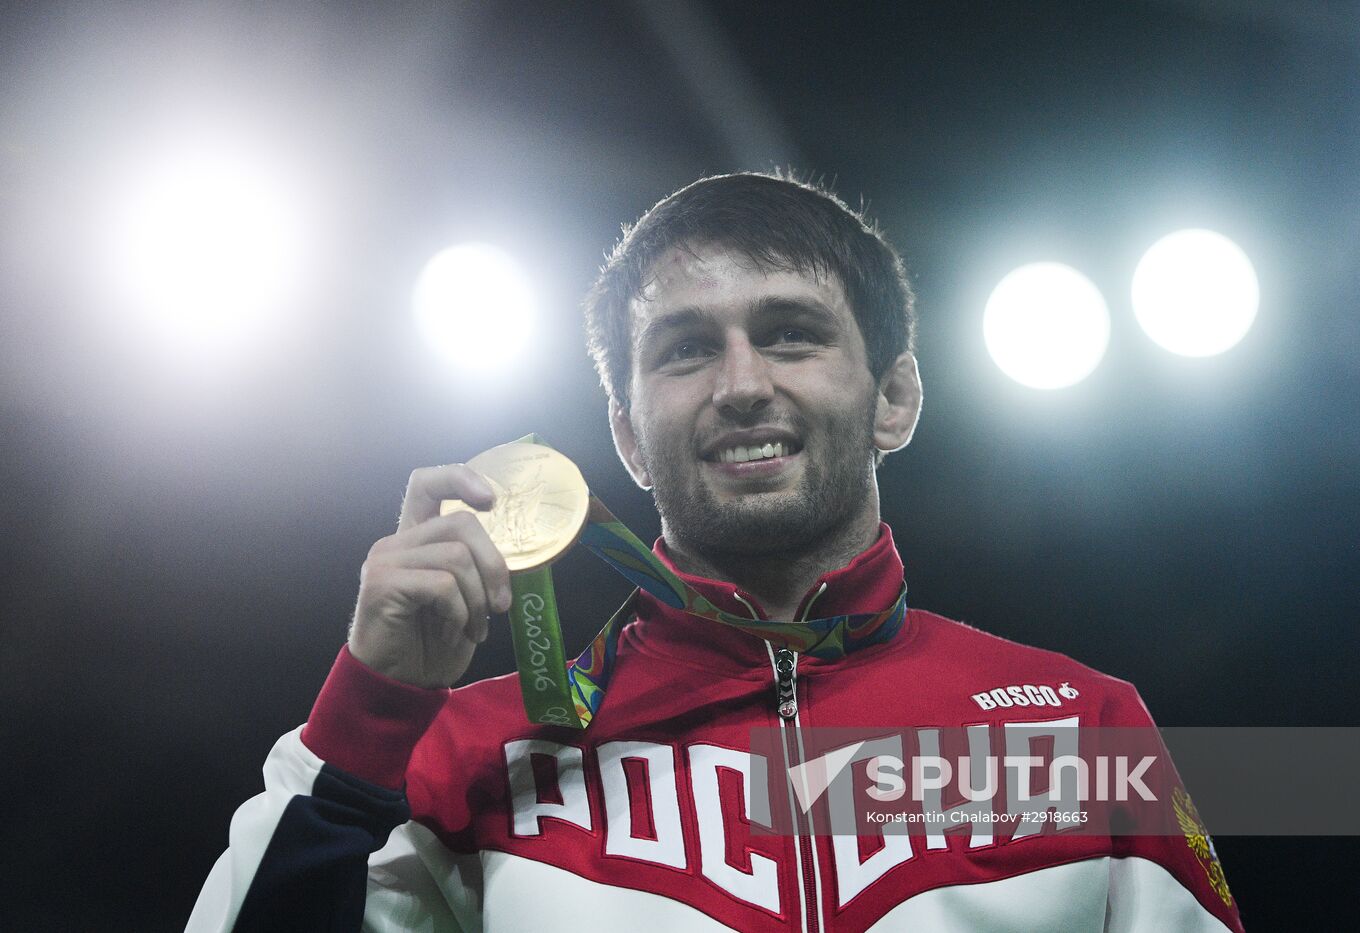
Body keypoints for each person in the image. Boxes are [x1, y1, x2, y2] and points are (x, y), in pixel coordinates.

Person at [188, 173, 1244, 931]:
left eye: (789, 333)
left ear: (893, 396)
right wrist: (371, 712)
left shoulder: (1079, 727)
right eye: (686, 350)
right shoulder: (472, 755)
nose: (740, 384)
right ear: (625, 435)